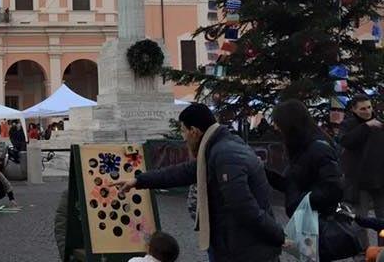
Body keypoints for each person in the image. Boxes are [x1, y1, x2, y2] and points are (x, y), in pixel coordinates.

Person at [116, 103, 284, 262]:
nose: (183, 138)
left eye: (183, 131)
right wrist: (138, 180)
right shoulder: (218, 148)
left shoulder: (224, 154)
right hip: (235, 245)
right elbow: (181, 173)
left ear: (194, 131)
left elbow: (244, 207)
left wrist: (278, 235)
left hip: (244, 251)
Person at [266, 99, 345, 261]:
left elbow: (334, 188)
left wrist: (304, 201)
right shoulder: (302, 148)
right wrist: (267, 175)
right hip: (306, 221)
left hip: (317, 222)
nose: (275, 128)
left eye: (278, 123)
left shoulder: (318, 148)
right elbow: (295, 184)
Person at [339, 95, 384, 247]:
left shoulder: (380, 123)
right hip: (359, 182)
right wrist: (366, 126)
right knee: (359, 221)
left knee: (382, 222)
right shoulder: (348, 125)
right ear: (354, 109)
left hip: (380, 180)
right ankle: (363, 252)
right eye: (363, 109)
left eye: (369, 107)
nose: (367, 111)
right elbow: (345, 141)